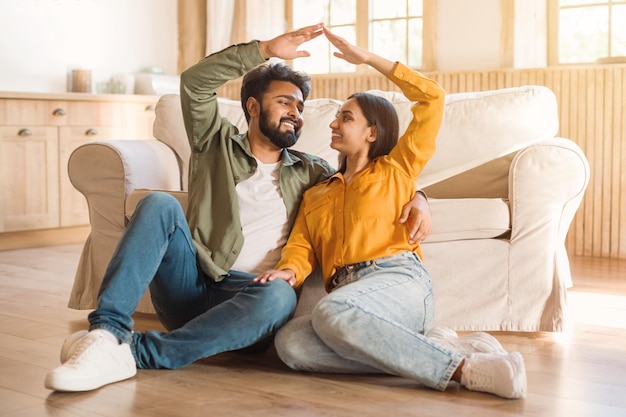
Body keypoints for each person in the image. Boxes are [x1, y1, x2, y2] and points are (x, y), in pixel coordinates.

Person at [44, 24, 431, 392]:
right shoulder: (215, 144)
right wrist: (263, 50)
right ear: (252, 106)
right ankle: (104, 335)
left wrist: (419, 197)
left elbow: (363, 186)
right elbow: (194, 84)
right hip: (191, 283)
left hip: (251, 300)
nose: (296, 112)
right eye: (284, 102)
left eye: (300, 106)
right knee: (158, 204)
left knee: (282, 296)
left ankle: (133, 353)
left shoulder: (314, 172)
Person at [254, 26, 527, 400]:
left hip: (400, 281)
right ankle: (445, 348)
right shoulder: (317, 192)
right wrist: (287, 271)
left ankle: (466, 370)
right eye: (336, 117)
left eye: (346, 118)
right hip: (350, 298)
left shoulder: (397, 169)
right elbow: (301, 248)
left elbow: (432, 98)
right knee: (291, 345)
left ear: (372, 132)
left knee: (331, 312)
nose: (333, 123)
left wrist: (367, 59)